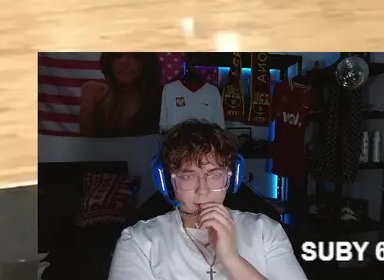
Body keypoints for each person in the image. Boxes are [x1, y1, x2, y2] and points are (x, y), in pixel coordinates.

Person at [108, 120, 307, 280]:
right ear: (167, 181)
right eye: (188, 176)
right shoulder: (138, 241)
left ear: (232, 178)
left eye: (215, 174)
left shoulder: (266, 231)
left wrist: (232, 259)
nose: (202, 190)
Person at [78, 53, 162, 138]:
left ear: (147, 61)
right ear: (109, 61)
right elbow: (86, 143)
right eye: (117, 55)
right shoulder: (94, 94)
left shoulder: (162, 97)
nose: (124, 61)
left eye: (135, 56)